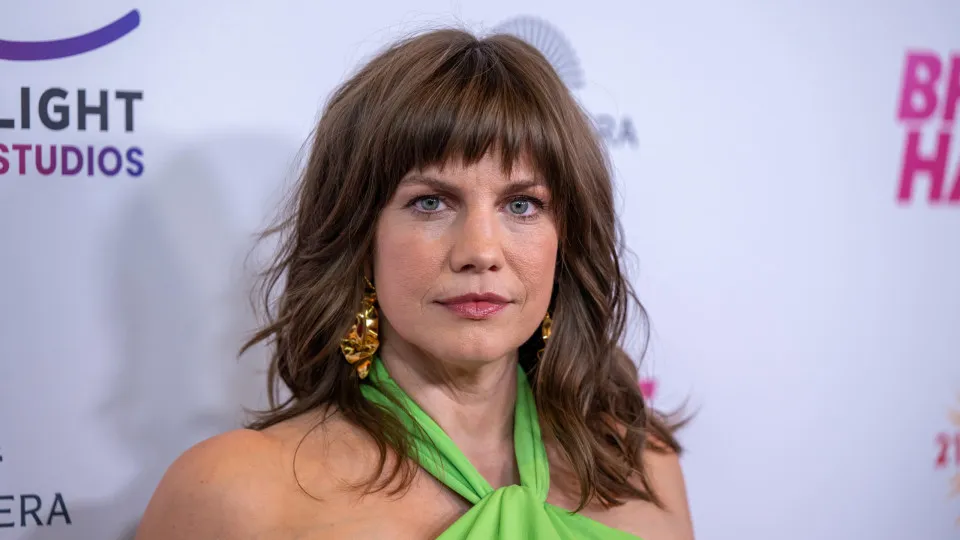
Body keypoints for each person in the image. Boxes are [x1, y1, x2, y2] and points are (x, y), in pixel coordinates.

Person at [135, 26, 694, 540]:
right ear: (359, 237)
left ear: (564, 240)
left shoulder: (640, 465)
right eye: (431, 202)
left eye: (522, 204)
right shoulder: (235, 493)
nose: (481, 252)